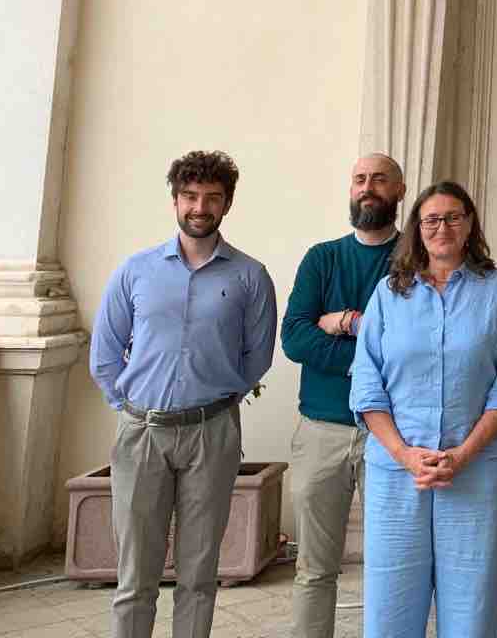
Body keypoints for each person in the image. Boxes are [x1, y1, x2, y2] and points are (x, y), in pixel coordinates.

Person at [89, 150, 278, 638]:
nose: (200, 207)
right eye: (191, 196)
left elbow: (256, 359)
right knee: (135, 575)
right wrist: (134, 409)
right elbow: (105, 354)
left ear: (227, 204)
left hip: (210, 434)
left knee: (199, 573)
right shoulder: (136, 270)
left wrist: (212, 404)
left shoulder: (250, 277)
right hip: (142, 434)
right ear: (175, 200)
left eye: (212, 198)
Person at [349, 180, 497, 638]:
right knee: (391, 606)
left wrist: (463, 454)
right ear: (417, 229)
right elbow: (368, 387)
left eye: (453, 217)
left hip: (476, 469)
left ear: (469, 225)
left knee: (471, 607)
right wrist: (406, 454)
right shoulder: (390, 294)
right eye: (431, 219)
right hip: (397, 471)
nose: (442, 227)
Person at [281, 153, 407, 638]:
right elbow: (294, 337)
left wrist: (347, 322)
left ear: (398, 190)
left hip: (393, 435)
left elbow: (412, 344)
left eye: (379, 180)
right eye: (359, 180)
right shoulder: (322, 258)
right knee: (315, 567)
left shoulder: (414, 258)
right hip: (322, 430)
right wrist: (367, 355)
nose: (367, 188)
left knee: (392, 564)